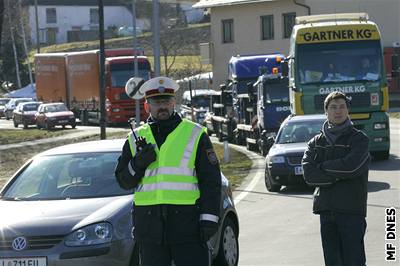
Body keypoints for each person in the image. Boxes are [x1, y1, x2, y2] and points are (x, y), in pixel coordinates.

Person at [115, 76, 222, 266]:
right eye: (156, 102)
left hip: (188, 228)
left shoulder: (195, 134)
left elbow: (211, 181)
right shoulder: (135, 138)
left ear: (174, 103)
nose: (162, 106)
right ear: (147, 106)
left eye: (166, 101)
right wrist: (138, 164)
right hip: (150, 231)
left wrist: (209, 219)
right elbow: (123, 181)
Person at [302, 91, 371, 266]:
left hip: (351, 212)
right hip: (326, 212)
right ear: (326, 112)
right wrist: (338, 176)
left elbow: (352, 167)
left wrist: (323, 167)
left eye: (342, 107)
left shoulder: (359, 139)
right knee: (332, 262)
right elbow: (309, 175)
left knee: (354, 261)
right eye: (333, 107)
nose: (338, 111)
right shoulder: (315, 143)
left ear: (348, 111)